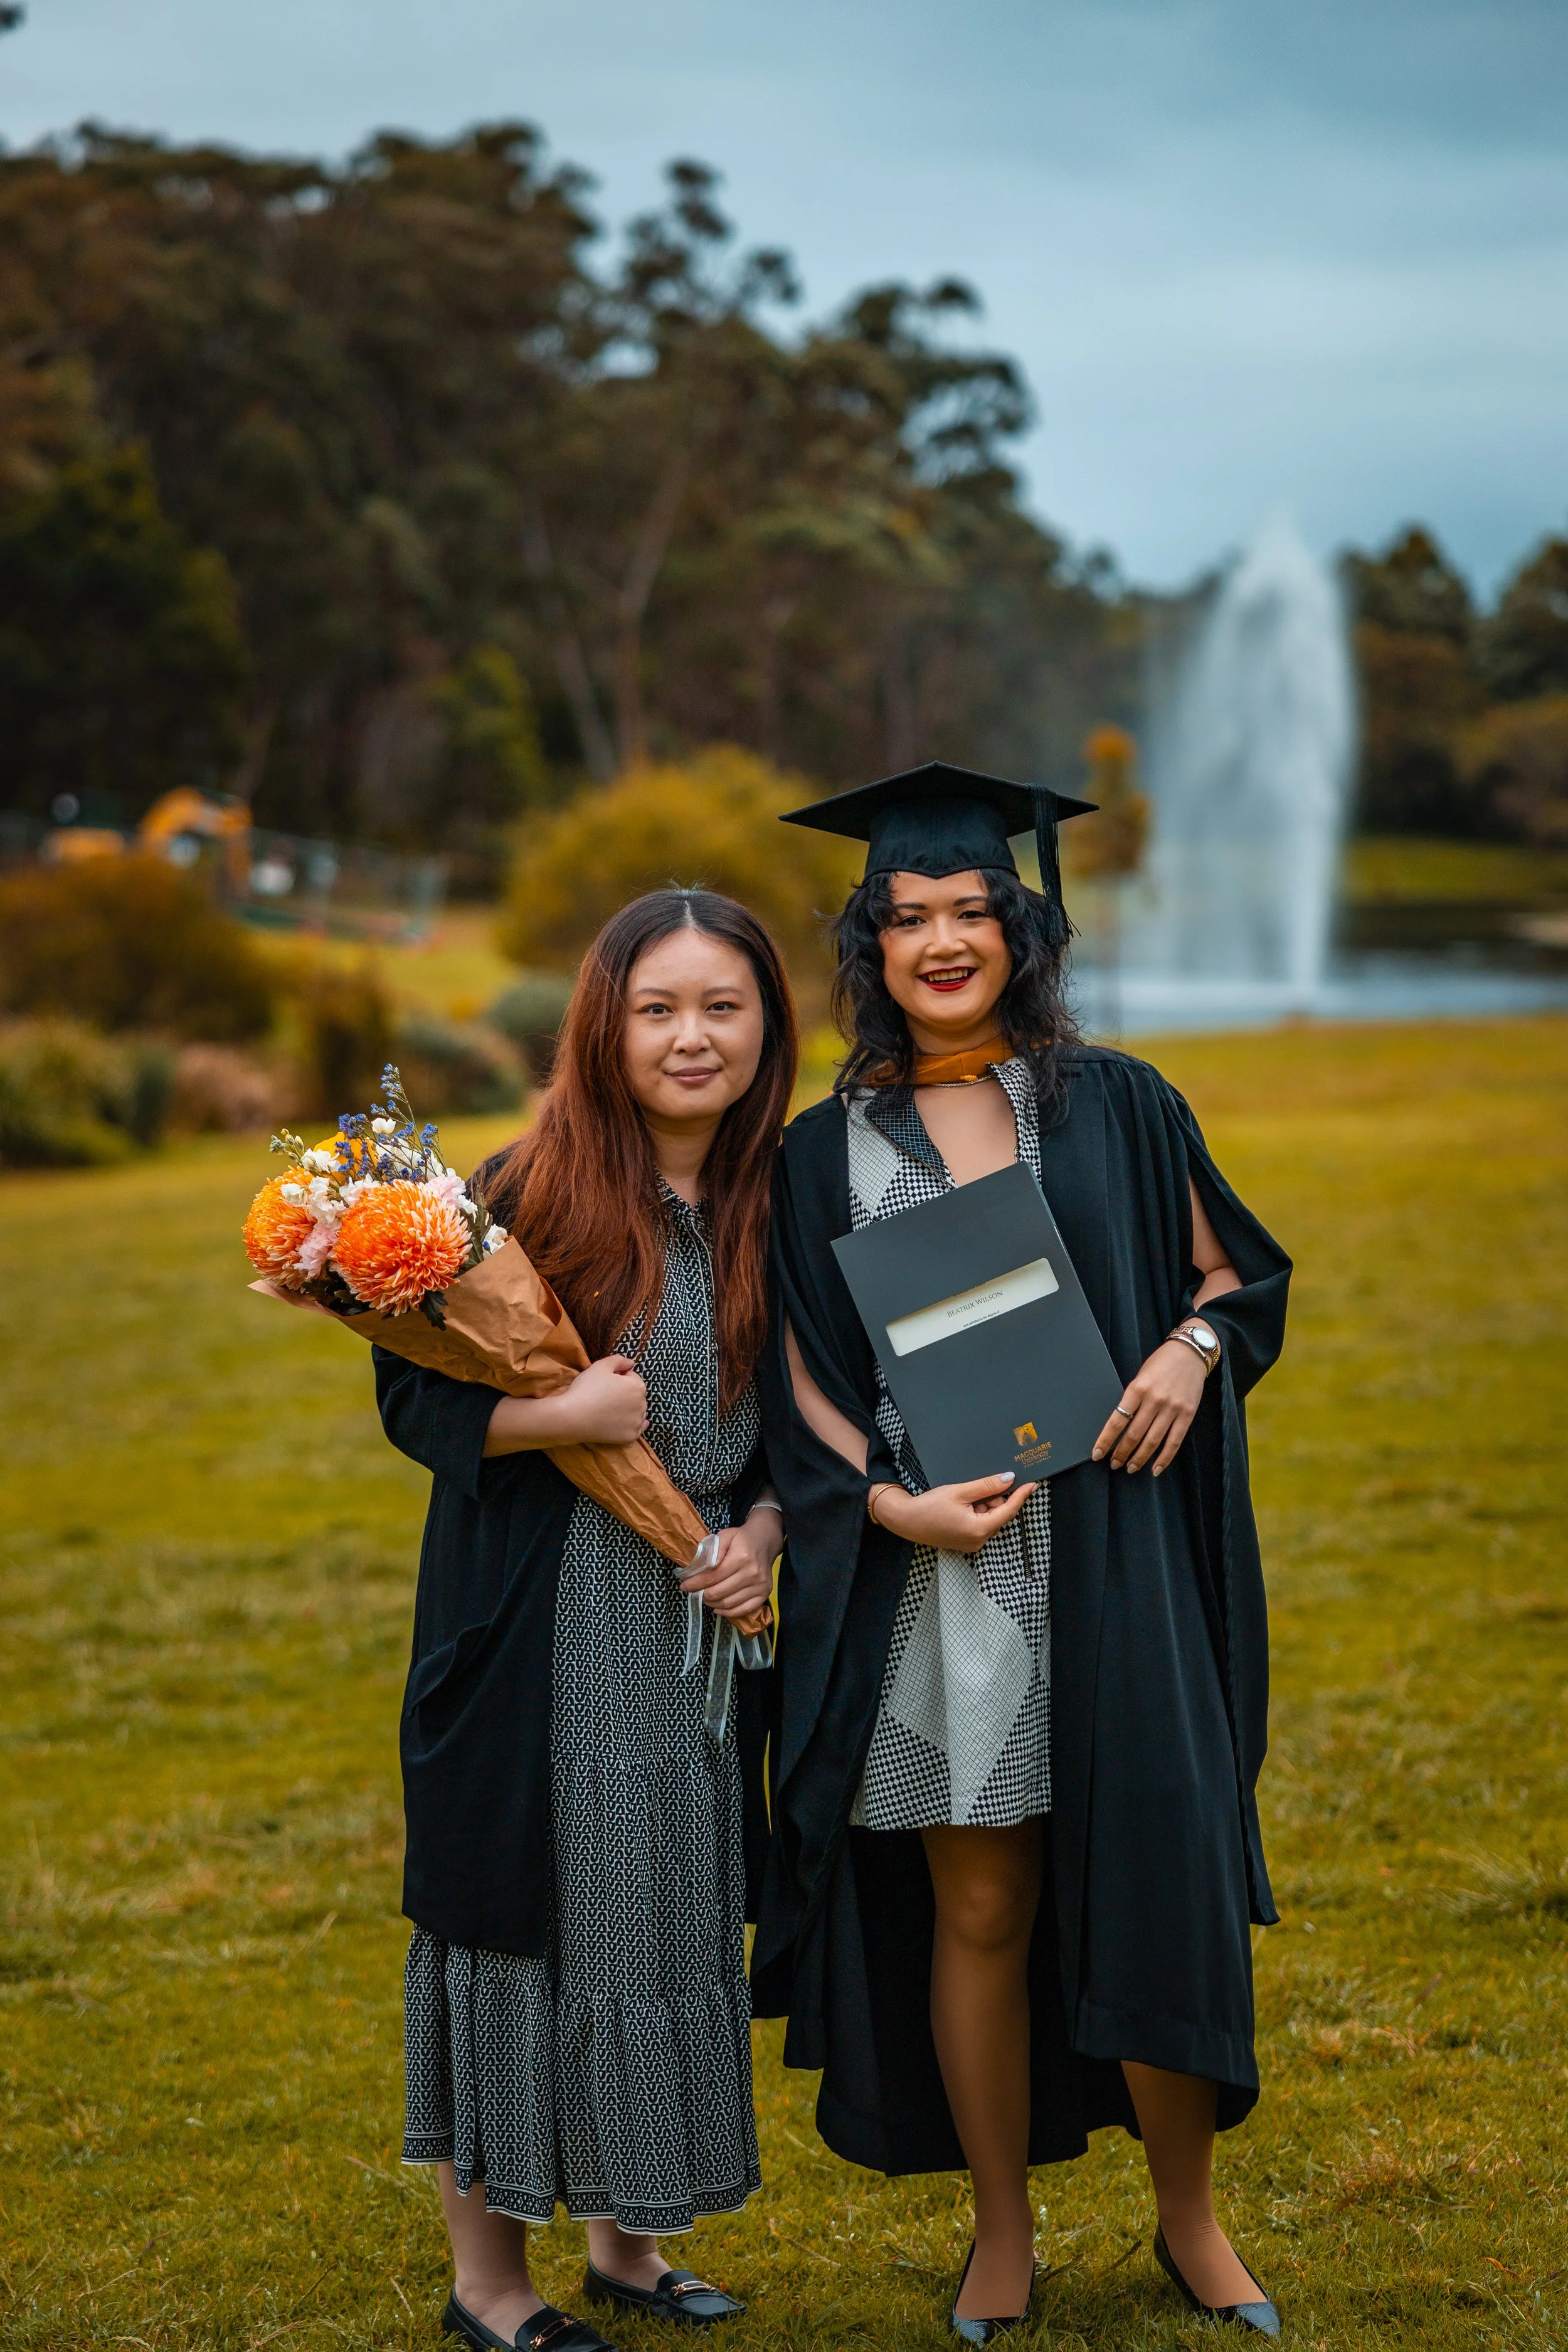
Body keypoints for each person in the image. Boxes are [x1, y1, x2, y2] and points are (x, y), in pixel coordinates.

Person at [753, 764, 1291, 2342]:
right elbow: (795, 1369)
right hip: (940, 1584)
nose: (938, 942)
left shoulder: (1117, 1103)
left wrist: (1189, 1354)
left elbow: (1232, 1277)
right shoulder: (815, 1150)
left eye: (968, 912)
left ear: (1020, 927)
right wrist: (884, 1503)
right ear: (868, 941)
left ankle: (1189, 2224)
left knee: (1145, 1881)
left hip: (1113, 1557)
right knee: (977, 1908)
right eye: (906, 917)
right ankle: (1002, 2232)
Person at [378, 889, 798, 2352]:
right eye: (657, 1008)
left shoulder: (775, 1196)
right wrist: (558, 1410)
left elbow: (806, 1429)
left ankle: (628, 2241)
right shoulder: (525, 1188)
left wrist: (762, 1531)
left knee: (661, 1916)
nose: (692, 1036)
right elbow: (414, 1400)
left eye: (722, 1005)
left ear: (767, 1024)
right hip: (537, 1632)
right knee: (523, 1929)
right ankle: (490, 2289)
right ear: (603, 1024)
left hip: (690, 1635)